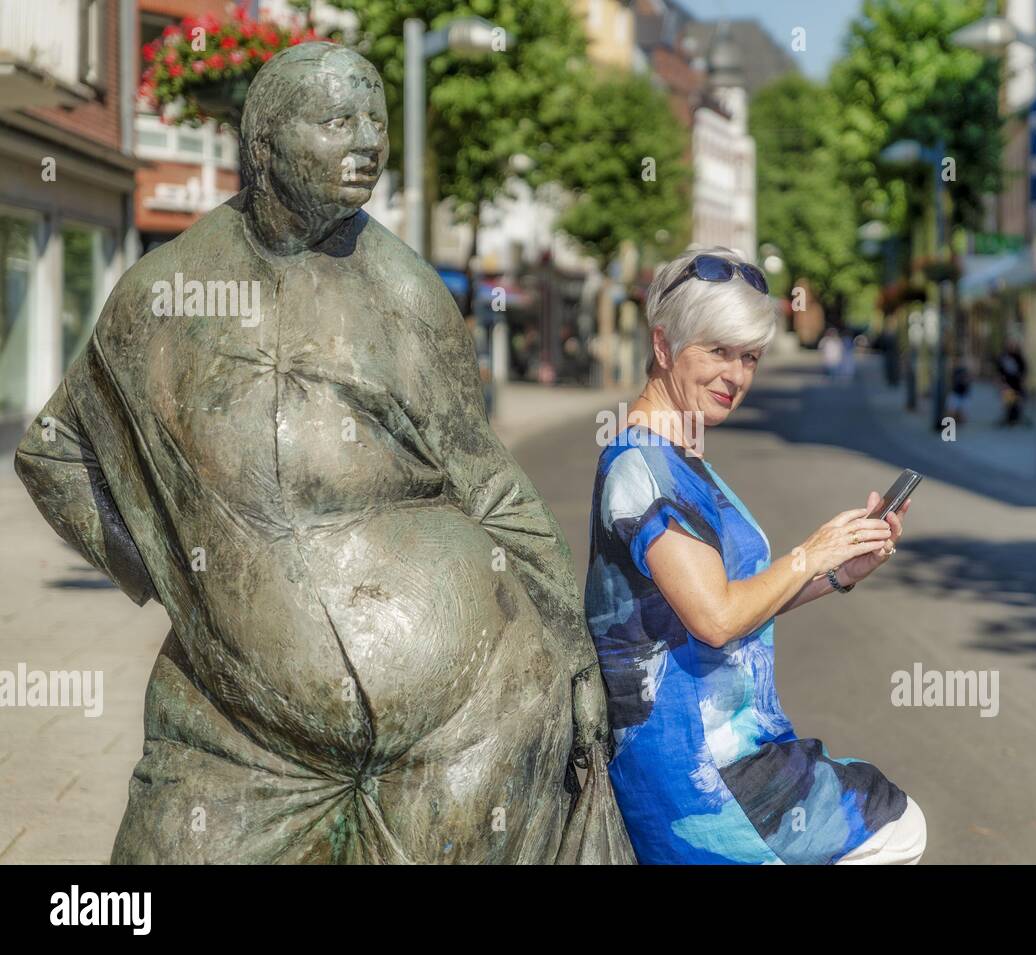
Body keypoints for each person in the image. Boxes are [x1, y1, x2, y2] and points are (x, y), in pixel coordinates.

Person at [14, 42, 631, 864]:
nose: (369, 141)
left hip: (465, 720)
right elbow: (55, 455)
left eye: (377, 119)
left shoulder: (408, 292)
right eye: (339, 120)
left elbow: (492, 488)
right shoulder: (163, 292)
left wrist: (576, 651)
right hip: (235, 736)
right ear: (261, 143)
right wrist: (178, 576)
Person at [584, 247, 927, 865]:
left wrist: (837, 571)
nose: (736, 376)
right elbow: (715, 618)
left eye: (749, 357)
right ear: (663, 346)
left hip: (742, 751)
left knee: (887, 814)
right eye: (717, 351)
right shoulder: (643, 468)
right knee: (892, 823)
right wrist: (808, 553)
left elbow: (737, 598)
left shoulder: (683, 461)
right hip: (702, 773)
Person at [997, 338, 1028, 426]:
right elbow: (999, 370)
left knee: (1017, 402)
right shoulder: (1003, 357)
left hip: (1017, 384)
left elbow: (1024, 369)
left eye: (1012, 345)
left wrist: (1022, 380)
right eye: (1009, 345)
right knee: (1008, 402)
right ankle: (1009, 418)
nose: (1011, 347)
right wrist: (1000, 381)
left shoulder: (1018, 357)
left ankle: (1015, 417)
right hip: (1007, 383)